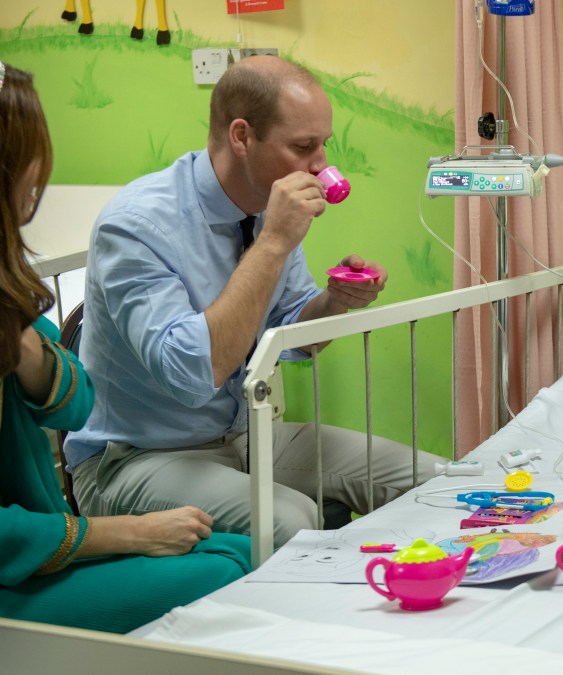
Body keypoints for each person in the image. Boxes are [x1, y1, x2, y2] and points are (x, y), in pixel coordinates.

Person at [64, 55, 444, 548]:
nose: (321, 165)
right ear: (242, 137)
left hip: (242, 439)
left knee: (428, 477)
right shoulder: (136, 227)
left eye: (323, 145)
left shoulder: (265, 210)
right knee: (291, 519)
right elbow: (192, 375)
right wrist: (272, 245)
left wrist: (334, 301)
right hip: (136, 458)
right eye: (304, 147)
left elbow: (292, 335)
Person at [0, 62, 251, 633]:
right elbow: (192, 369)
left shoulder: (8, 281)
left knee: (236, 555)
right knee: (236, 565)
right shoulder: (136, 224)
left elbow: (73, 403)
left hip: (43, 532)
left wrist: (26, 351)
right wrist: (121, 533)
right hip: (62, 521)